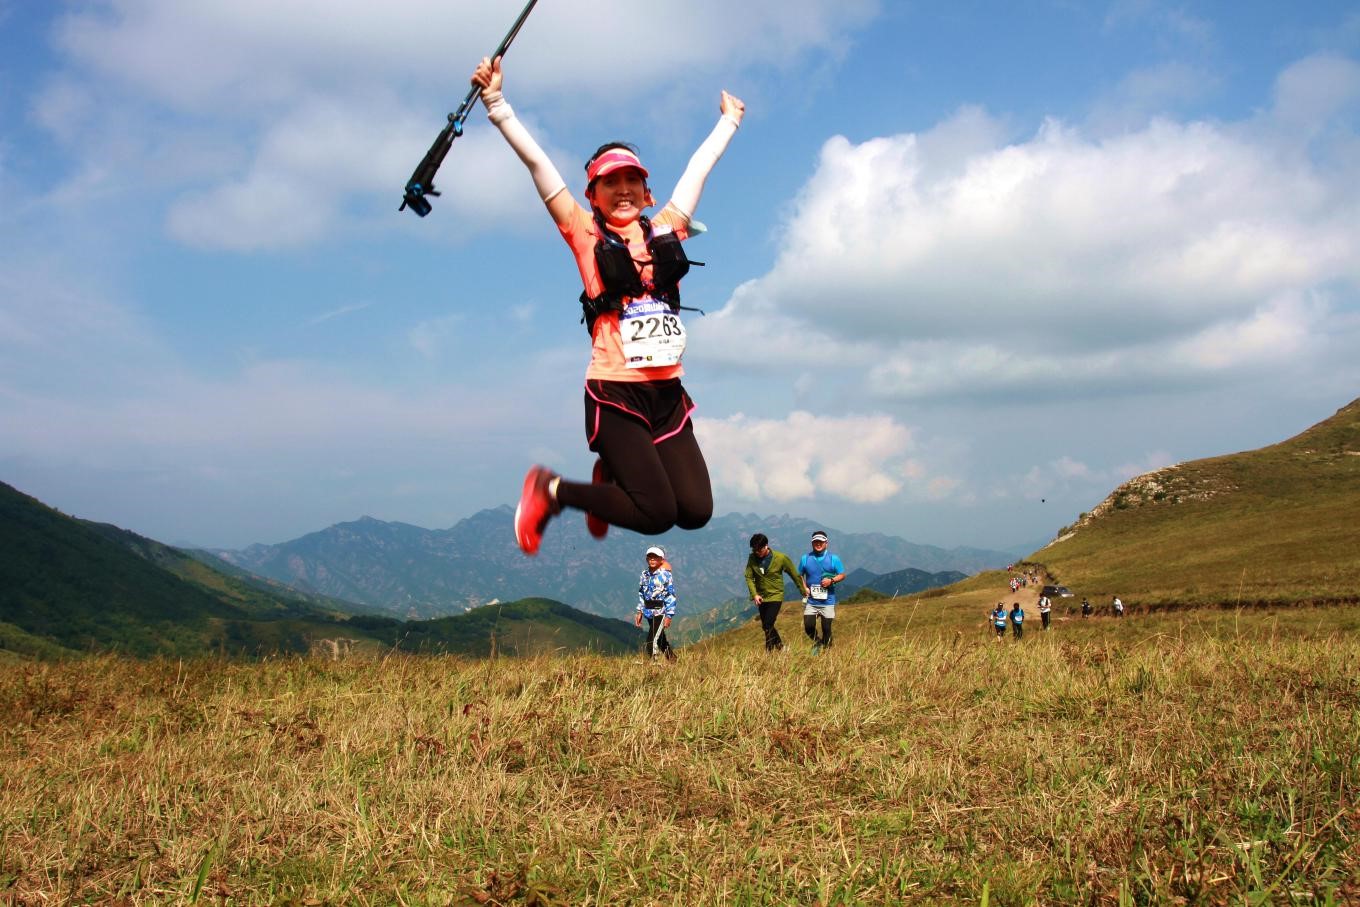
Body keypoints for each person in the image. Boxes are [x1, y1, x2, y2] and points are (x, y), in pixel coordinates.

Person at [469, 56, 747, 555]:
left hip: (667, 395)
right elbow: (539, 166)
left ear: (647, 192)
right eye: (609, 183)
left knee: (695, 511)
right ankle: (550, 490)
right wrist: (496, 103)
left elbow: (699, 168)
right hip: (615, 392)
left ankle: (614, 473)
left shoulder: (668, 228)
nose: (622, 190)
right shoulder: (584, 233)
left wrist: (729, 121)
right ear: (592, 195)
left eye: (631, 181)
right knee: (657, 514)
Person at [744, 533, 809, 653]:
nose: (757, 552)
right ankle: (781, 648)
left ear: (766, 546)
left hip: (776, 595)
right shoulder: (752, 558)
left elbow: (794, 574)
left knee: (768, 624)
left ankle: (769, 653)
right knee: (766, 626)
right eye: (754, 550)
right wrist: (754, 594)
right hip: (761, 597)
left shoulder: (781, 558)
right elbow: (748, 576)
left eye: (759, 550)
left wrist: (803, 590)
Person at [798, 531, 845, 653]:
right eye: (815, 542)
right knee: (808, 626)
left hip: (828, 601)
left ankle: (827, 652)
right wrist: (804, 587)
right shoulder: (805, 558)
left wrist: (831, 580)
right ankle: (818, 642)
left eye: (821, 542)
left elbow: (842, 574)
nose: (818, 544)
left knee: (826, 628)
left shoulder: (833, 559)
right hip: (811, 601)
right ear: (812, 543)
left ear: (826, 543)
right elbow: (800, 575)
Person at [635, 545, 677, 661]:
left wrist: (669, 615)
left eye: (655, 557)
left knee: (651, 640)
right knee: (660, 640)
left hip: (660, 611)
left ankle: (654, 665)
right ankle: (673, 659)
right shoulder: (644, 575)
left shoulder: (665, 575)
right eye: (650, 557)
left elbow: (670, 595)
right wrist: (640, 611)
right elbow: (642, 594)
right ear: (646, 559)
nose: (652, 559)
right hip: (648, 611)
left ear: (661, 560)